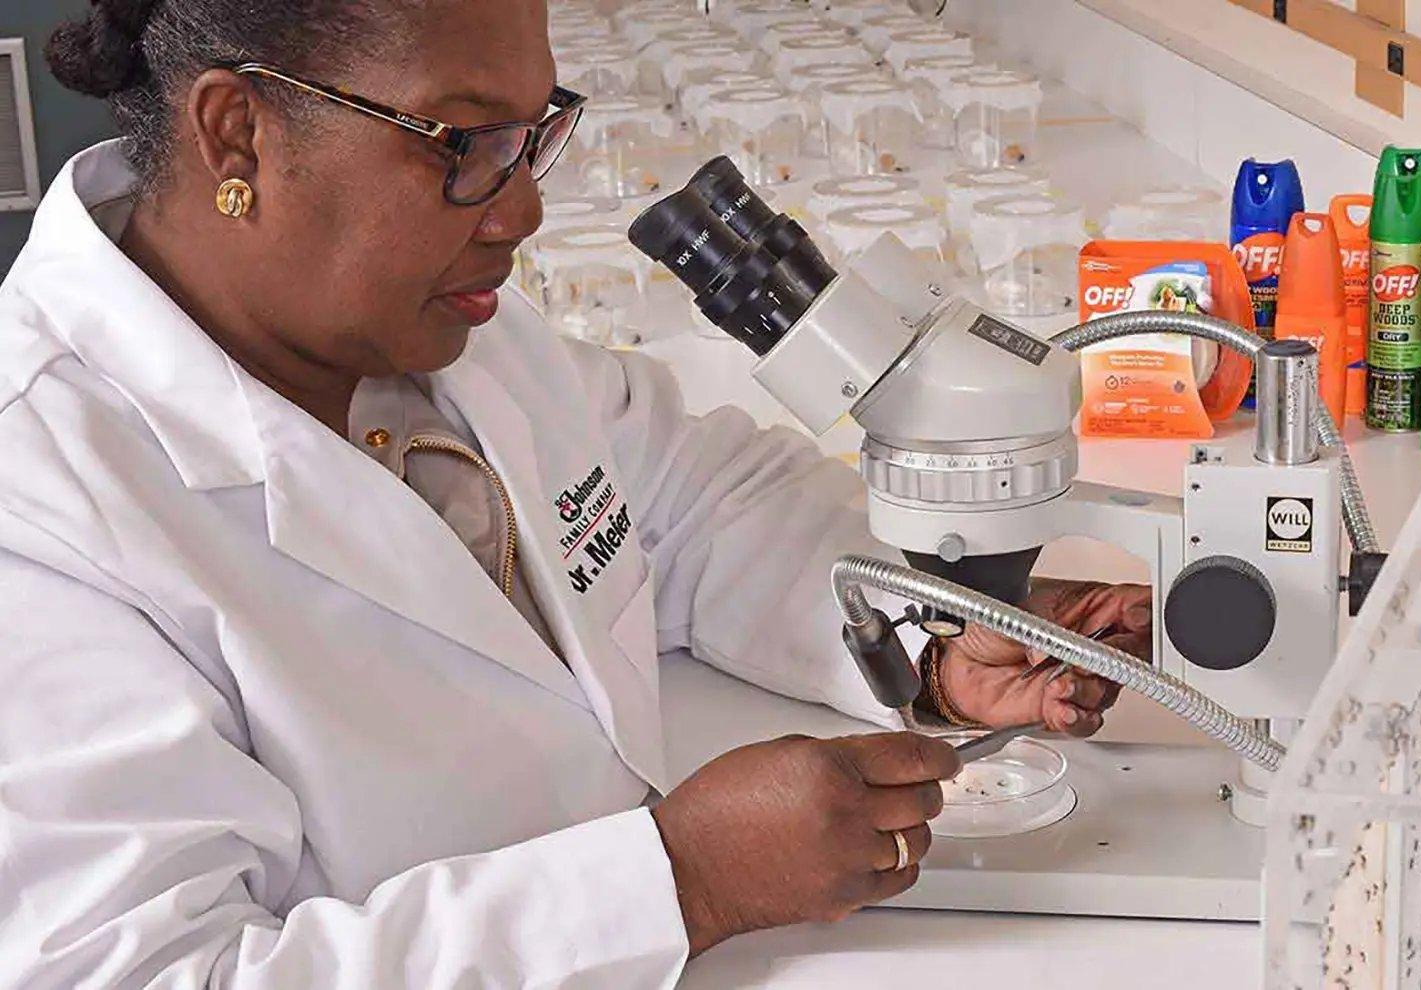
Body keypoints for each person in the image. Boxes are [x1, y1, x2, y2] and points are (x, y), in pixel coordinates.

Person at [0, 0, 1155, 986]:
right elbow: (152, 971)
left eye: (534, 133)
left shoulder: (436, 332)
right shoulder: (43, 503)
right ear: (236, 132)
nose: (521, 210)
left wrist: (936, 633)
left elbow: (696, 503)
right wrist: (680, 881)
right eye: (459, 143)